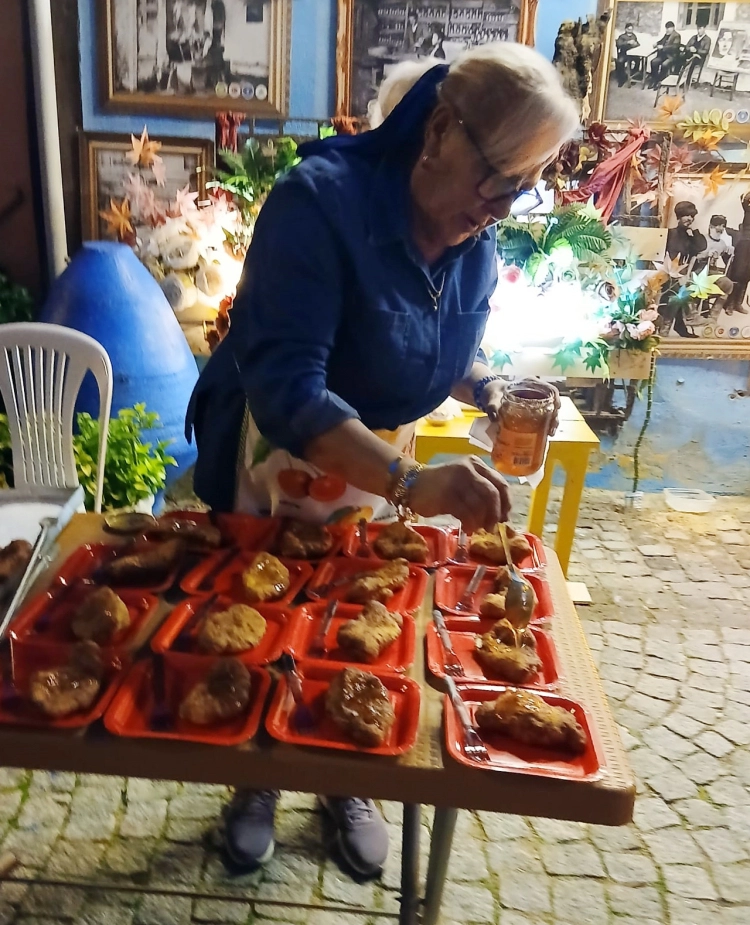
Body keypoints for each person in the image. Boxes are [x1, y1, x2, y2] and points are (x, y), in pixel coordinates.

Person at [186, 44, 578, 876]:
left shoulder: (472, 241)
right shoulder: (318, 204)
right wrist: (411, 482)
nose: (502, 208)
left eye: (523, 187)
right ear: (438, 131)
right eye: (499, 179)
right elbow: (291, 390)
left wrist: (490, 388)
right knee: (263, 618)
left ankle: (343, 776)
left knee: (357, 621)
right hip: (285, 453)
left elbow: (439, 348)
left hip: (382, 466)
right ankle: (256, 775)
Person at [659, 201, 707, 337]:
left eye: (692, 216)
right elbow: (665, 257)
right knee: (677, 290)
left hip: (685, 274)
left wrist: (694, 231)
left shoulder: (690, 236)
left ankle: (673, 327)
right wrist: (677, 276)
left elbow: (701, 247)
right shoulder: (670, 234)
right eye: (687, 215)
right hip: (667, 274)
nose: (690, 219)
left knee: (680, 290)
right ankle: (688, 318)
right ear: (679, 216)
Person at [725, 191, 750, 315]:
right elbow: (745, 198)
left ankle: (738, 303)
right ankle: (729, 303)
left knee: (747, 274)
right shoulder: (747, 208)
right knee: (737, 273)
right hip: (744, 243)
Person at [647, 21, 682, 88]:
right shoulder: (667, 34)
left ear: (673, 28)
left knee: (664, 65)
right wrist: (657, 43)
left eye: (669, 28)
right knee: (653, 62)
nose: (667, 30)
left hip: (672, 56)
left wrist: (663, 47)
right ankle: (654, 79)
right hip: (663, 55)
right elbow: (662, 41)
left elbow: (674, 47)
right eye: (666, 28)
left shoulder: (677, 35)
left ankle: (660, 81)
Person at [615, 22, 639, 87]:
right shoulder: (622, 36)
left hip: (632, 54)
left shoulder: (634, 36)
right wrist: (627, 42)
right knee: (620, 62)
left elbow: (638, 44)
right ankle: (621, 79)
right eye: (629, 29)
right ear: (626, 29)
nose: (630, 31)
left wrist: (636, 44)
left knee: (638, 60)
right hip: (624, 54)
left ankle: (633, 76)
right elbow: (618, 44)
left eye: (631, 29)